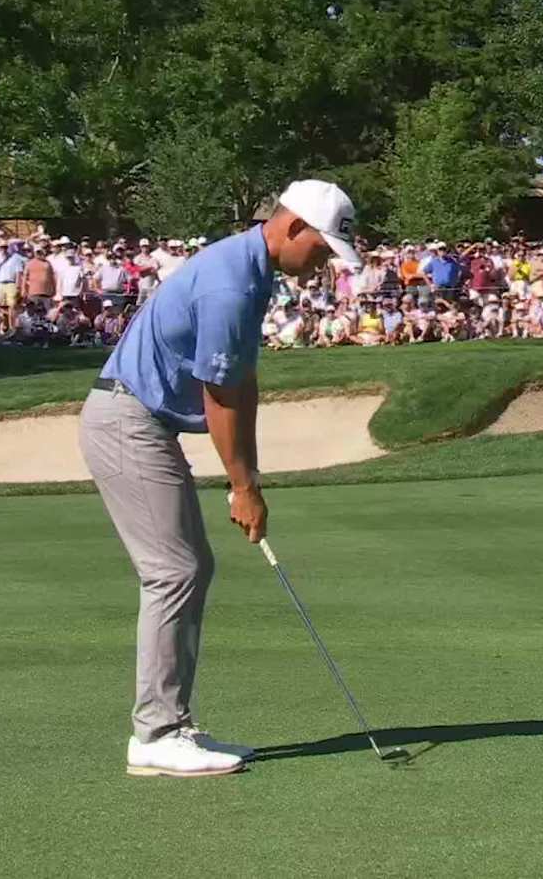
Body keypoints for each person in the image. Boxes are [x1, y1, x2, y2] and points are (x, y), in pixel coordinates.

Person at [79, 179, 357, 779]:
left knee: (186, 569)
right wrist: (242, 487)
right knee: (175, 570)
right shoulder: (234, 282)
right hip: (129, 420)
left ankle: (167, 724)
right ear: (291, 228)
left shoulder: (251, 271)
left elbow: (241, 387)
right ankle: (157, 734)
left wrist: (247, 474)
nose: (324, 262)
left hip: (141, 420)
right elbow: (219, 394)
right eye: (322, 248)